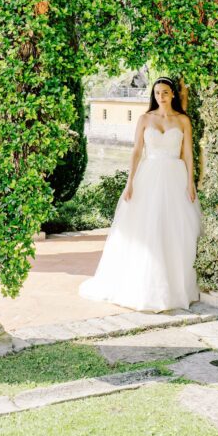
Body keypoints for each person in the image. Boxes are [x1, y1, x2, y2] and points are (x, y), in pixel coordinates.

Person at [79, 77, 202, 312]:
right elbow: (136, 152)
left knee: (176, 229)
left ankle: (177, 287)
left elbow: (188, 154)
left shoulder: (183, 120)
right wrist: (130, 182)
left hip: (175, 176)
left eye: (165, 93)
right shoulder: (145, 119)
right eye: (157, 93)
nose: (160, 97)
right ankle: (146, 286)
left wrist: (190, 182)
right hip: (149, 175)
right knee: (149, 227)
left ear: (173, 94)